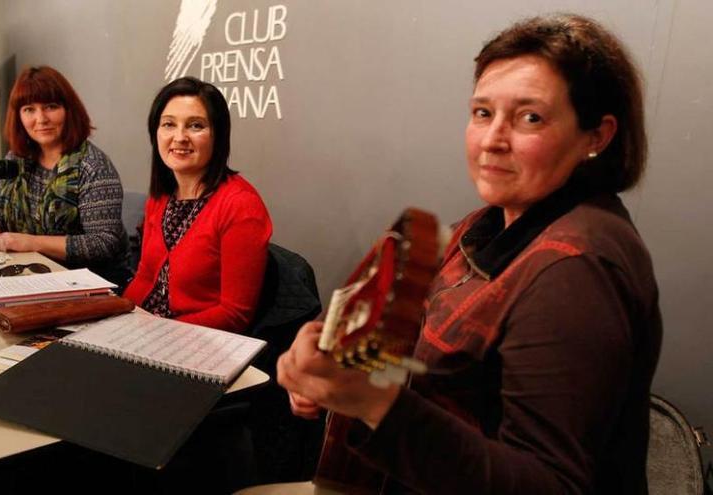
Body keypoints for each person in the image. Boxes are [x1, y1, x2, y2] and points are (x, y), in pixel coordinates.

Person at [278, 14, 661, 494]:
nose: (492, 141)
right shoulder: (483, 226)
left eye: (530, 117)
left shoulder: (576, 269)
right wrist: (327, 360)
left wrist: (372, 402)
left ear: (597, 137)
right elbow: (405, 354)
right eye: (482, 113)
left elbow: (549, 485)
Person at [124, 77, 272, 333]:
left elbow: (234, 314)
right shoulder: (161, 197)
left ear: (218, 135)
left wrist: (158, 333)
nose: (179, 137)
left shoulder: (241, 206)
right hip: (145, 332)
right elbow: (145, 278)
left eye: (195, 126)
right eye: (169, 124)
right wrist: (119, 319)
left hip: (196, 344)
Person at [0, 66, 129, 286]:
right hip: (31, 275)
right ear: (18, 117)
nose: (41, 118)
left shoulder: (93, 167)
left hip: (90, 284)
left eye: (51, 107)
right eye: (29, 109)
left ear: (69, 110)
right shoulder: (16, 159)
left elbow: (104, 243)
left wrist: (31, 243)